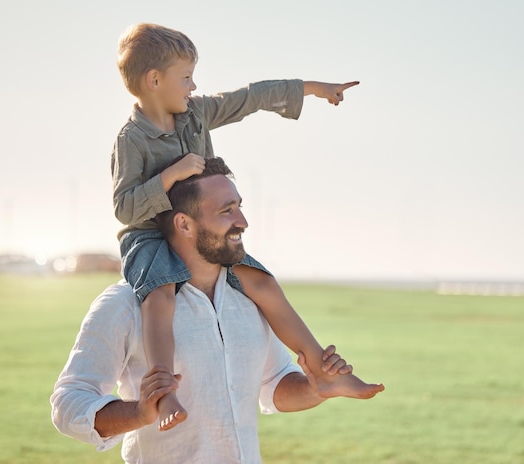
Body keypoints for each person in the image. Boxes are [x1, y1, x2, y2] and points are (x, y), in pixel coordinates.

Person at [112, 23, 370, 431]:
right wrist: (171, 175)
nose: (194, 86)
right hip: (149, 236)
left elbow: (250, 97)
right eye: (186, 77)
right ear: (154, 80)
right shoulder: (131, 139)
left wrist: (313, 87)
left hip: (203, 232)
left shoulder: (196, 113)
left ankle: (323, 371)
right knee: (160, 295)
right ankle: (162, 394)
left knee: (262, 282)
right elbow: (125, 208)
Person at [51, 157, 385, 463]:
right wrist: (140, 412)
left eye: (239, 207)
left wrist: (315, 388)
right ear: (184, 224)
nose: (243, 222)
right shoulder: (124, 304)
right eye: (227, 211)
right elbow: (68, 403)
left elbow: (275, 383)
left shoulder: (250, 300)